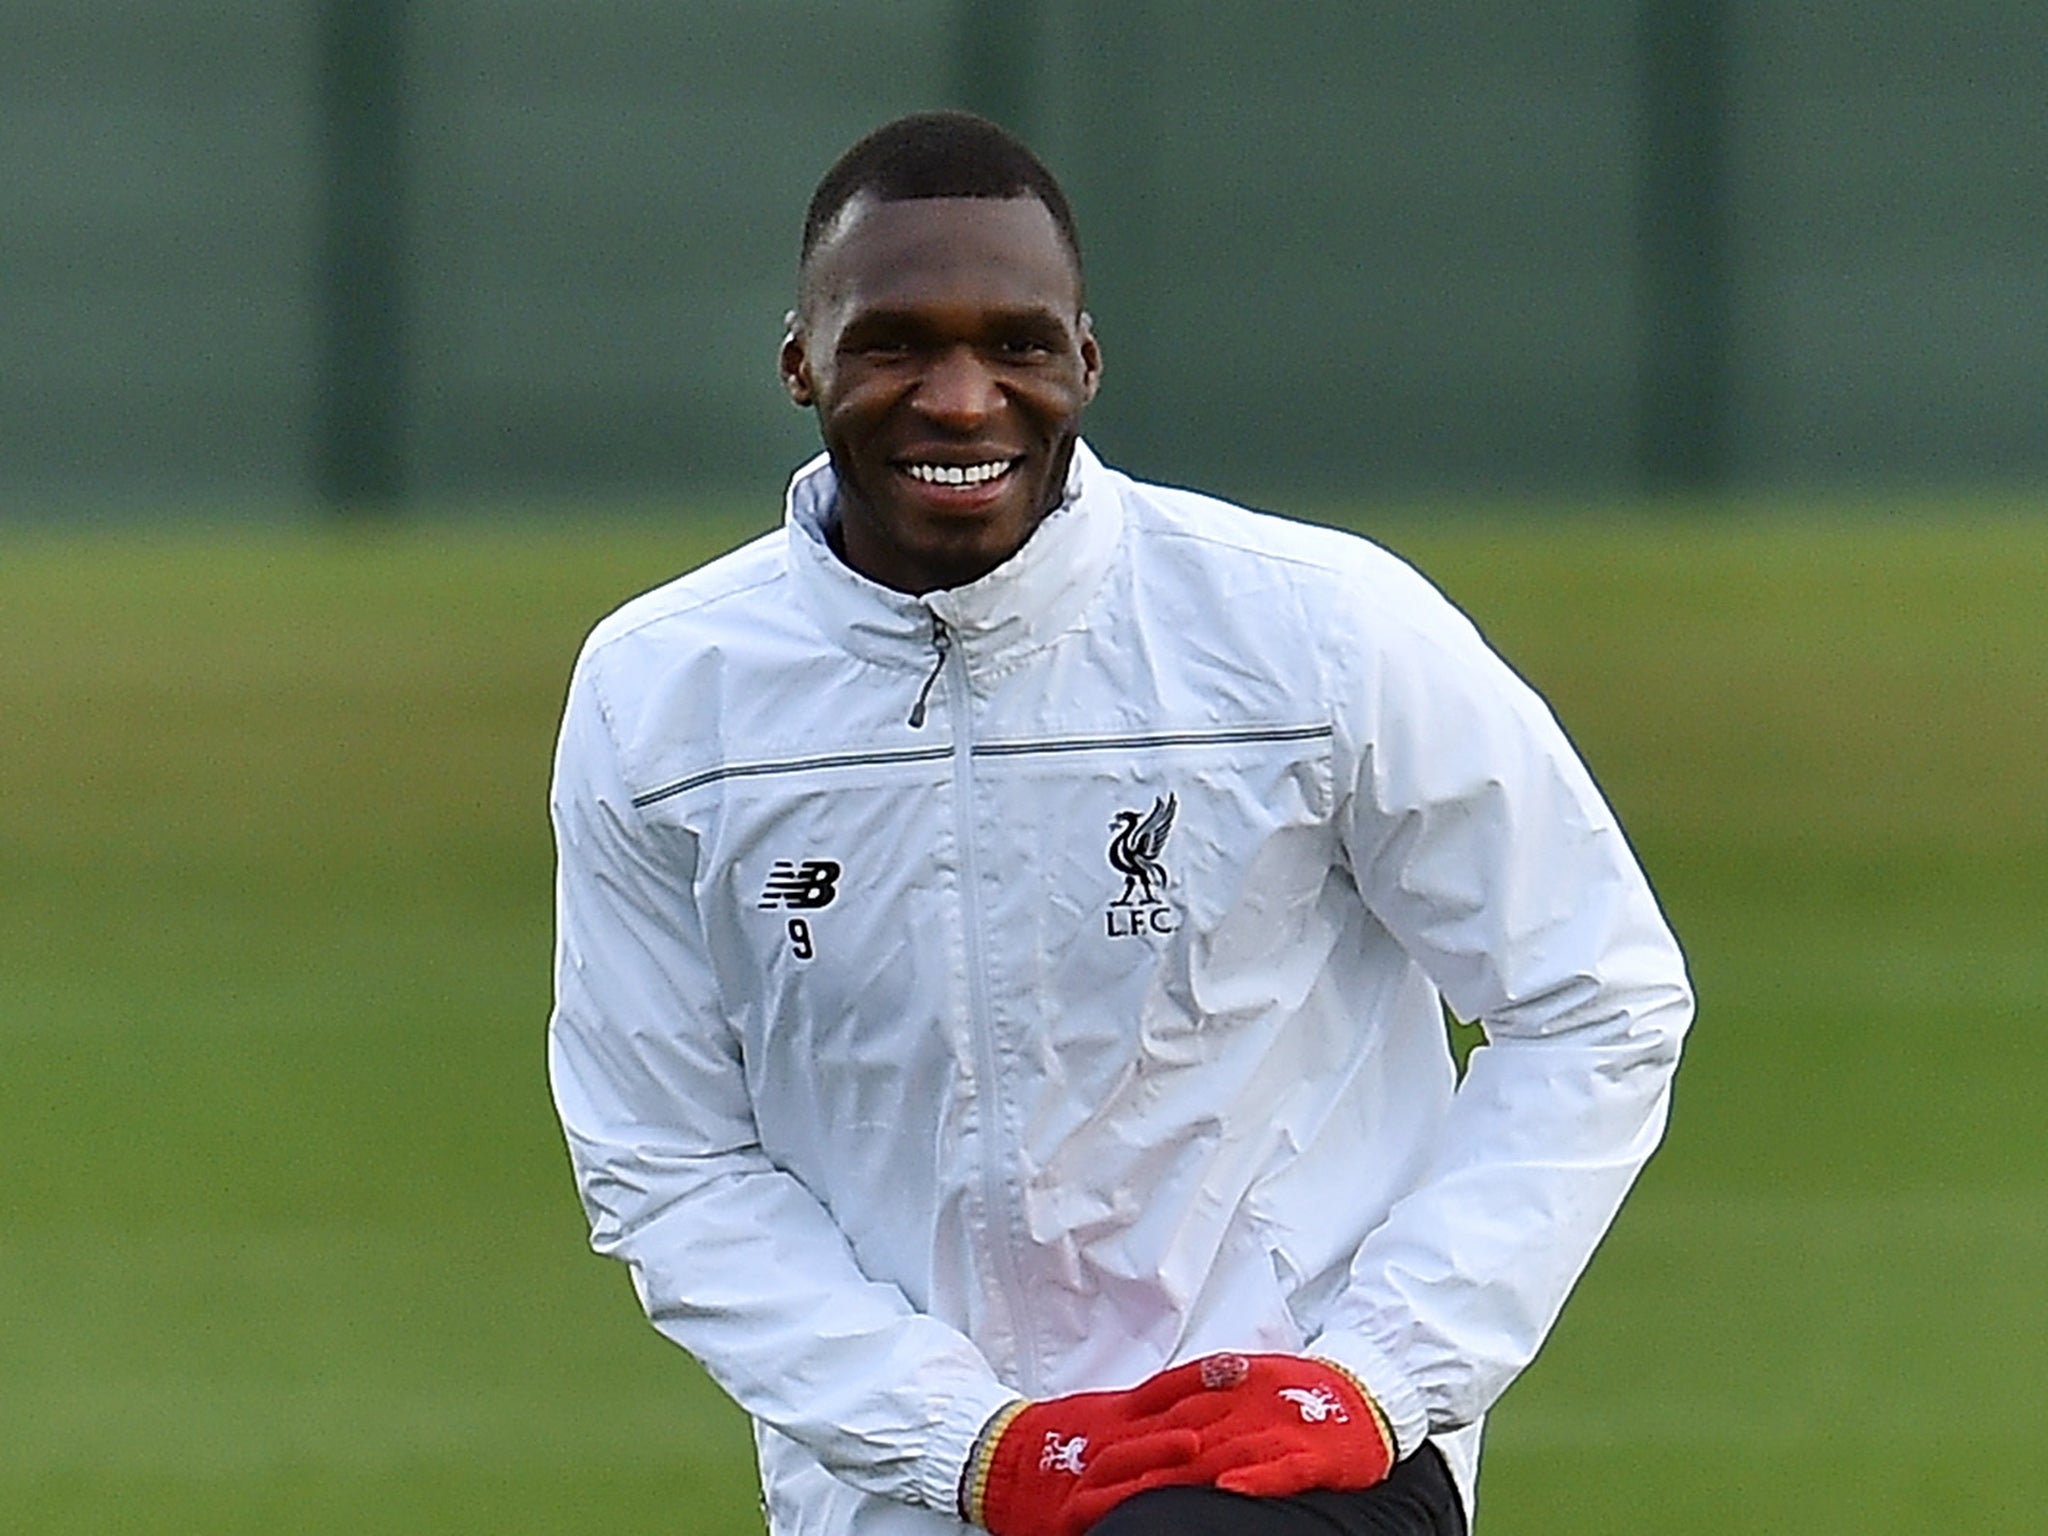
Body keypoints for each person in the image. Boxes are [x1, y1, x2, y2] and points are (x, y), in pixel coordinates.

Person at [547, 111, 1692, 1536]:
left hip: (1289, 1462)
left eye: (1017, 346)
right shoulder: (662, 697)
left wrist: (1381, 1374)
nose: (961, 400)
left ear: (1086, 359)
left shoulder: (1318, 631)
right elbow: (665, 1157)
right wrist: (969, 1443)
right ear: (801, 359)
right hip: (910, 1491)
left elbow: (1598, 998)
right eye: (897, 342)